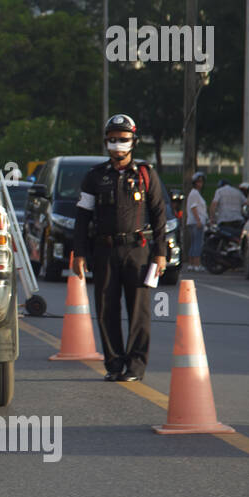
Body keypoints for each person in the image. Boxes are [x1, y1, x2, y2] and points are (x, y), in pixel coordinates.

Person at [70, 114, 169, 384]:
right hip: (104, 250)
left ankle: (135, 367)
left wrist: (160, 253)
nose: (117, 144)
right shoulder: (95, 177)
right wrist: (79, 253)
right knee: (106, 309)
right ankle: (114, 364)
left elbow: (160, 215)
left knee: (138, 311)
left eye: (123, 139)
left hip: (137, 251)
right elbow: (82, 217)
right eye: (112, 139)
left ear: (133, 142)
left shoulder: (146, 175)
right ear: (106, 143)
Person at [185, 171, 206, 273]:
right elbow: (194, 208)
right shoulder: (195, 194)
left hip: (193, 222)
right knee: (197, 243)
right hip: (196, 222)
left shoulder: (195, 193)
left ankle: (191, 264)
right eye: (198, 182)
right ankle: (196, 264)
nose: (200, 184)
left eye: (201, 182)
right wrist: (198, 220)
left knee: (193, 243)